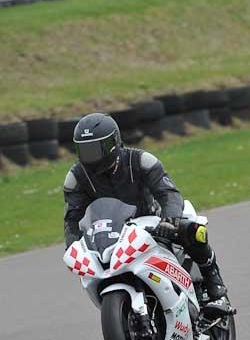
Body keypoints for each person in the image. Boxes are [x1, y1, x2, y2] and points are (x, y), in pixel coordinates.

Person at [63, 113, 232, 315]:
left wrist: (170, 219)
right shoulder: (76, 177)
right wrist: (72, 246)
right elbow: (72, 218)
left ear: (113, 143)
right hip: (111, 234)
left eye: (96, 149)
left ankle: (217, 290)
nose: (92, 157)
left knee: (193, 229)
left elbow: (168, 192)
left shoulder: (141, 161)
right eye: (85, 150)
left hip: (152, 223)